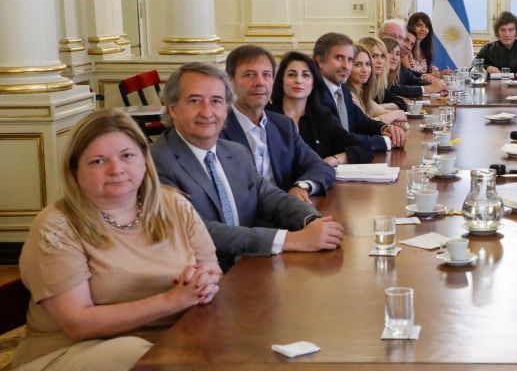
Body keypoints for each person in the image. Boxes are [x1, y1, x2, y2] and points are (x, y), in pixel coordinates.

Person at [12, 110, 221, 371]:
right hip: (72, 359)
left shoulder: (173, 205)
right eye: (97, 161)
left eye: (127, 155)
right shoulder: (57, 226)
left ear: (143, 158)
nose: (116, 169)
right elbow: (77, 323)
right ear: (74, 170)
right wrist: (171, 300)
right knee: (140, 361)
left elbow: (211, 266)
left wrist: (203, 281)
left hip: (167, 345)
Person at [150, 62, 345, 270]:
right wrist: (291, 240)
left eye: (216, 101)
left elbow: (270, 197)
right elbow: (198, 230)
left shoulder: (235, 152)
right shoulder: (157, 161)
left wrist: (312, 221)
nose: (207, 112)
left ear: (226, 109)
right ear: (173, 109)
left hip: (250, 267)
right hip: (201, 277)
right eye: (195, 101)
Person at [219, 45, 335, 204]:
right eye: (250, 75)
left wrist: (301, 187)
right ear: (229, 81)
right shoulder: (216, 129)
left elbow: (321, 167)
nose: (260, 82)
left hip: (286, 214)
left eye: (266, 75)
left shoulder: (283, 125)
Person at [270, 51, 373, 166]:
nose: (298, 80)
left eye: (305, 75)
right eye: (291, 74)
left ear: (313, 83)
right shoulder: (267, 116)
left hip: (318, 180)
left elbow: (363, 147)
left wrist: (332, 160)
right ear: (281, 81)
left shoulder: (321, 117)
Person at [312, 32, 407, 151]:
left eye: (350, 60)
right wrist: (385, 141)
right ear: (320, 61)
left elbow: (362, 122)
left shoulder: (342, 90)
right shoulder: (315, 94)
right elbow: (340, 138)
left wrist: (385, 128)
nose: (346, 65)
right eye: (339, 58)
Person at [349, 42, 408, 125]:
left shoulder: (362, 93)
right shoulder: (347, 95)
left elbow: (390, 112)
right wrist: (392, 116)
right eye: (358, 65)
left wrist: (394, 115)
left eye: (368, 64)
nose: (365, 70)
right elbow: (362, 126)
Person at [356, 36, 407, 112]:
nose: (380, 61)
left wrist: (380, 107)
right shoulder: (357, 85)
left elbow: (401, 103)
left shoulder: (377, 84)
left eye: (382, 56)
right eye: (374, 56)